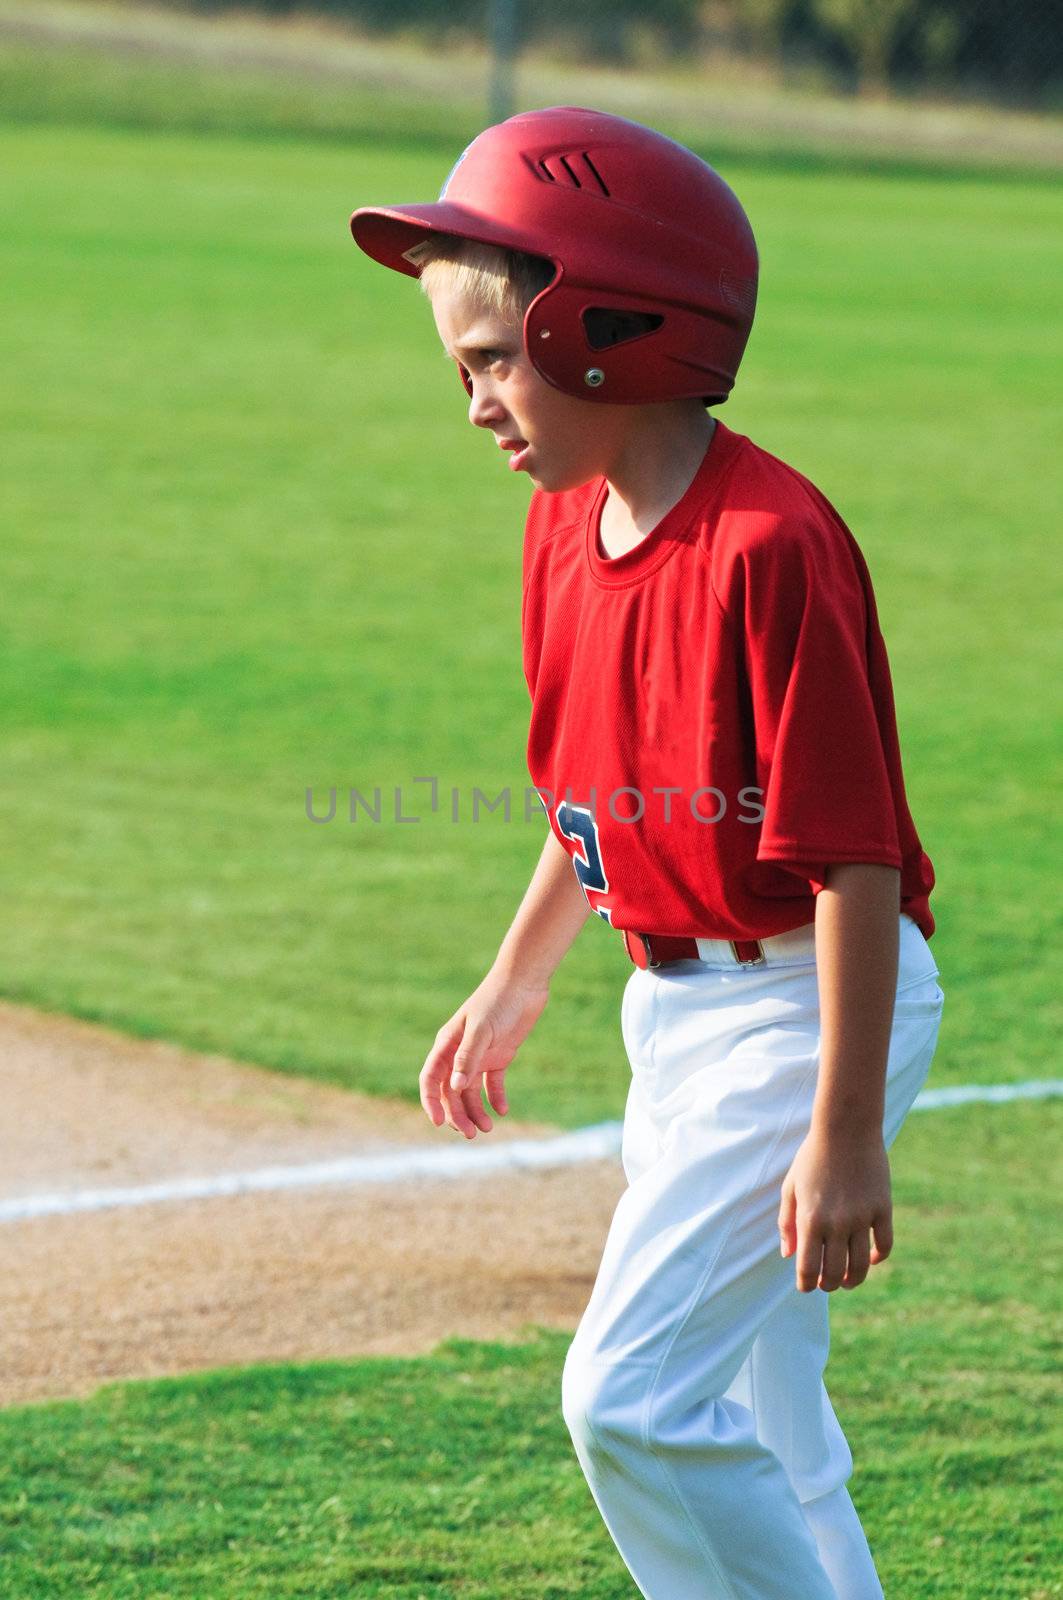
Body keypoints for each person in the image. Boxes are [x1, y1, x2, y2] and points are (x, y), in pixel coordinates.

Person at [349, 106, 944, 1600]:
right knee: (754, 1402)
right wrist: (514, 981)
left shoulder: (770, 546)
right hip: (673, 1014)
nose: (476, 402)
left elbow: (857, 864)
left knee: (627, 1398)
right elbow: (601, 802)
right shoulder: (565, 524)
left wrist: (846, 1127)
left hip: (807, 1004)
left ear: (613, 325)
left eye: (493, 359)